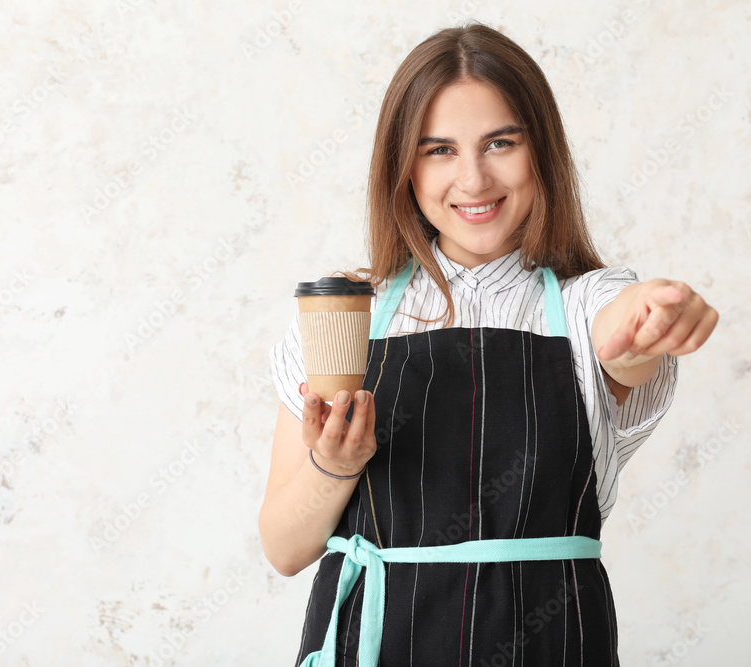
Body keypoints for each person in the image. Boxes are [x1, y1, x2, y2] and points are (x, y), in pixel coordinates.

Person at [260, 21, 718, 667]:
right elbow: (283, 548)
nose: (473, 180)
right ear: (404, 168)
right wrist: (334, 465)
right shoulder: (344, 317)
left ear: (542, 153)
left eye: (500, 142)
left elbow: (625, 340)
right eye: (438, 149)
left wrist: (648, 321)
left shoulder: (587, 304)